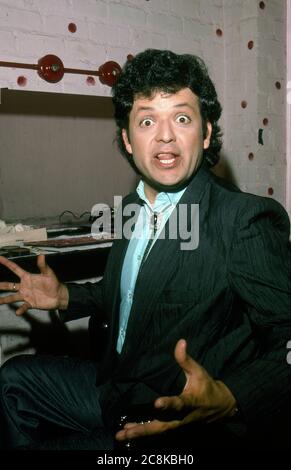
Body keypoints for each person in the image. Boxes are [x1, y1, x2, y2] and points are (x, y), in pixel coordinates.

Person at [0, 48, 290, 451]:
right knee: (13, 382)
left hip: (169, 419)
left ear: (205, 134)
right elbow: (132, 294)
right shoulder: (135, 206)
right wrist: (65, 295)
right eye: (148, 120)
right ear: (128, 139)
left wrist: (231, 398)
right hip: (113, 388)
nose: (165, 134)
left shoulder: (242, 221)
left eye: (182, 118)